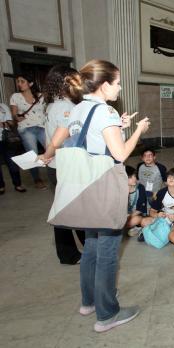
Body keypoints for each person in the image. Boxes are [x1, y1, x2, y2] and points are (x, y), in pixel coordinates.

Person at [65, 59, 150, 332]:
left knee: (90, 246)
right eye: (117, 82)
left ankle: (88, 302)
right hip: (104, 187)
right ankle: (107, 314)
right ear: (103, 85)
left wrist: (119, 127)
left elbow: (93, 142)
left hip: (83, 185)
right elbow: (121, 154)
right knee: (108, 251)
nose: (120, 87)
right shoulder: (106, 112)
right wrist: (137, 130)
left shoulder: (78, 109)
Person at [40, 65, 86, 264]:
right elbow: (58, 139)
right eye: (76, 80)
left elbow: (47, 135)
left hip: (57, 165)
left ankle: (70, 252)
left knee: (64, 209)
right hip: (66, 166)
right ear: (66, 82)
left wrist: (48, 155)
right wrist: (46, 154)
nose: (80, 84)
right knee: (74, 210)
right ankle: (72, 253)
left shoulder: (50, 104)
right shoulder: (66, 107)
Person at [9, 72, 47, 189]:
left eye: (22, 81)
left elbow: (46, 110)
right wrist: (16, 117)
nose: (19, 84)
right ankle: (37, 179)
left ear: (30, 83)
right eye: (18, 81)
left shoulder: (41, 96)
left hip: (42, 127)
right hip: (26, 128)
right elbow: (14, 114)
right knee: (32, 154)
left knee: (52, 149)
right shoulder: (15, 96)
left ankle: (58, 173)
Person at [0, 102, 25, 193]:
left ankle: (17, 184)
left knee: (12, 162)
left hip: (8, 139)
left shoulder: (3, 106)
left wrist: (3, 124)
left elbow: (11, 122)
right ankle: (1, 186)